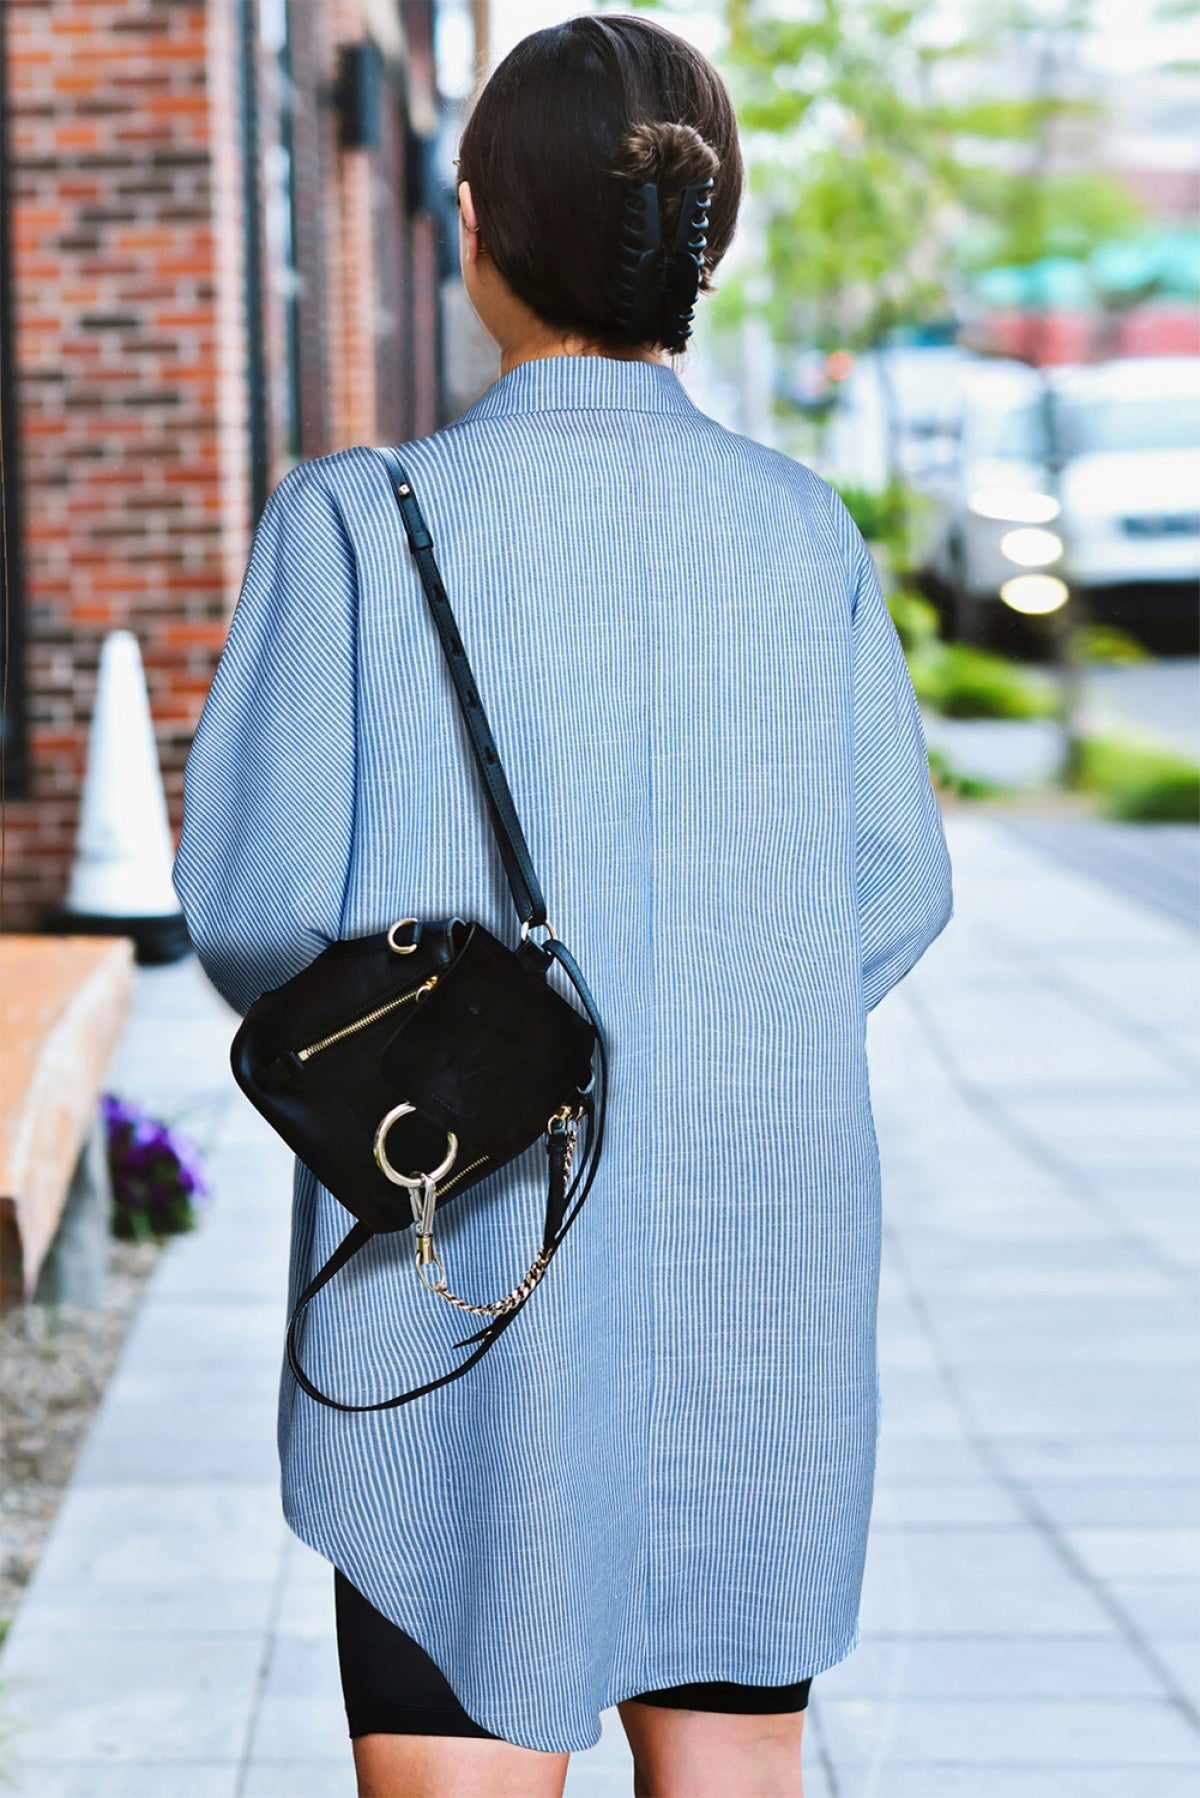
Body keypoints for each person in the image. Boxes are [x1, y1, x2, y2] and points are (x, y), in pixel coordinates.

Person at [172, 15, 952, 1797]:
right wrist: (708, 999)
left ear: (470, 223)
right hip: (751, 1248)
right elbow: (895, 884)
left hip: (464, 1249)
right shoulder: (800, 528)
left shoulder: (359, 523)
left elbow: (256, 904)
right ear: (705, 238)